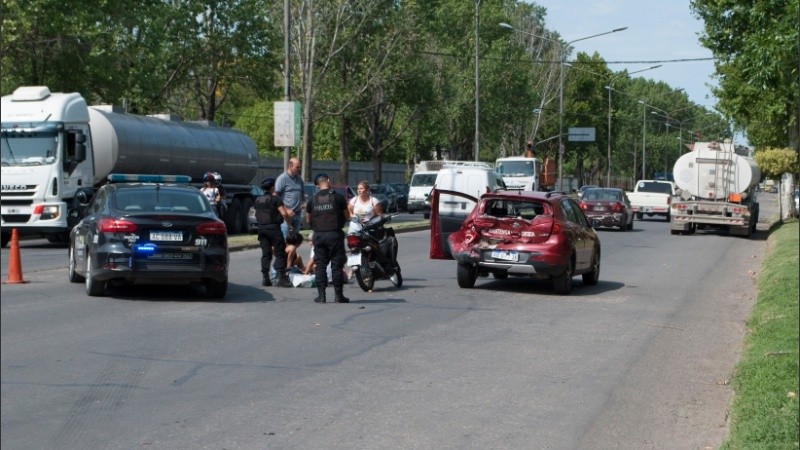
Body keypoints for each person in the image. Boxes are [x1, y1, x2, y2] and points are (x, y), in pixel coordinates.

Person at [306, 173, 350, 303]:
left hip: (319, 235)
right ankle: (338, 295)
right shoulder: (338, 197)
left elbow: (308, 220)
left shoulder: (312, 200)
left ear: (317, 185)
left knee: (320, 265)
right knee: (336, 265)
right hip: (334, 235)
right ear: (328, 181)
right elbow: (347, 216)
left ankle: (321, 296)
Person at [254, 177, 292, 288]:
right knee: (280, 253)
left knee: (266, 254)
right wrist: (289, 224)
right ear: (272, 187)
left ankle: (265, 278)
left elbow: (257, 213)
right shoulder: (276, 199)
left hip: (261, 229)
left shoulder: (257, 200)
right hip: (273, 228)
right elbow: (283, 213)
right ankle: (281, 278)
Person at [275, 157, 305, 239]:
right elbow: (276, 196)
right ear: (290, 166)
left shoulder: (299, 179)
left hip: (297, 214)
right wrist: (286, 209)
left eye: (300, 167)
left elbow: (302, 193)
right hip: (286, 216)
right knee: (286, 240)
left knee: (295, 240)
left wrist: (303, 202)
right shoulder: (282, 178)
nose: (299, 169)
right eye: (297, 167)